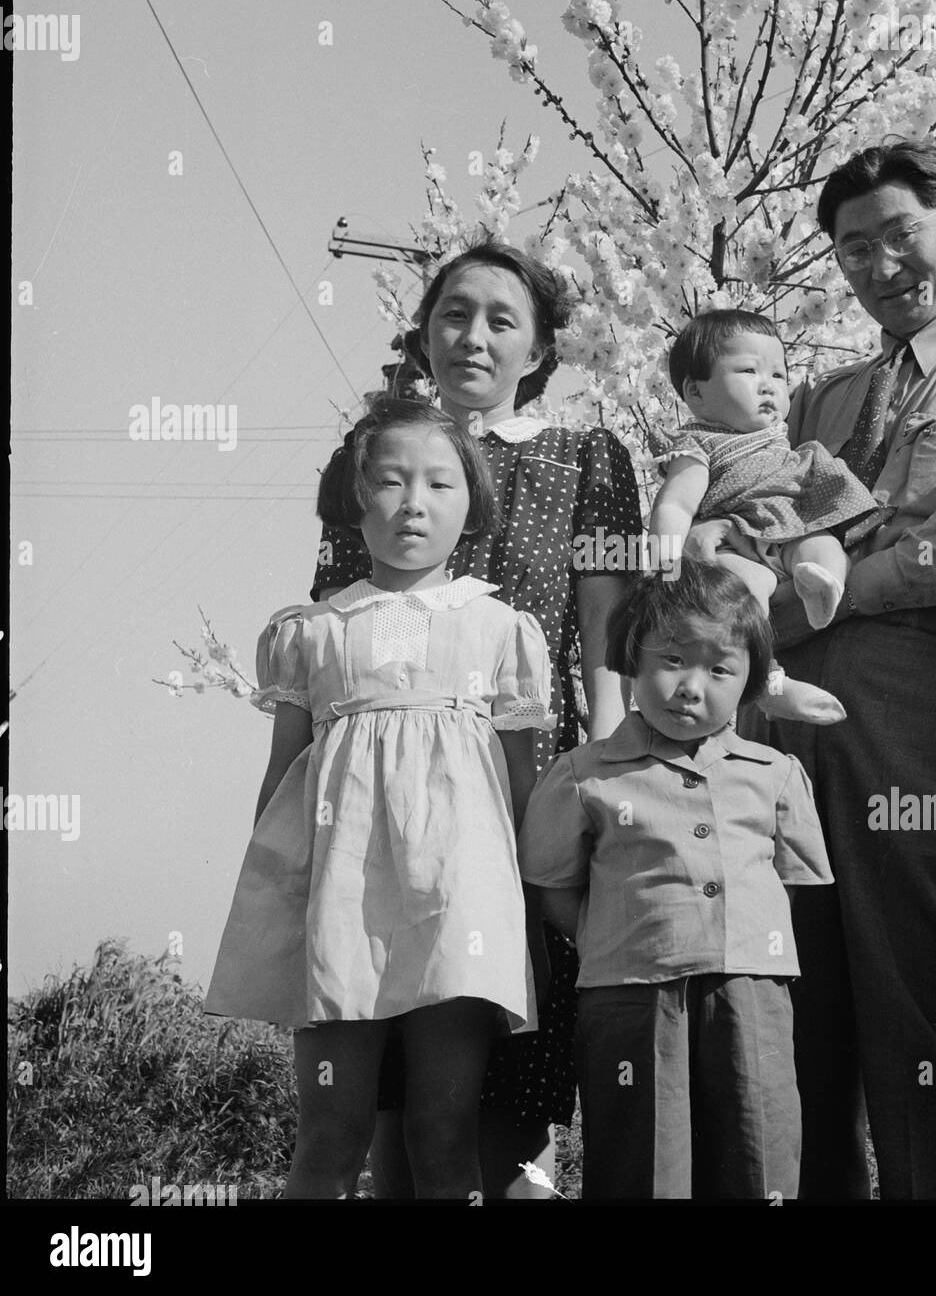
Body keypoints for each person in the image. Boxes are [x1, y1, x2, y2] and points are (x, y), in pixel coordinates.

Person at [724, 137, 936, 1199]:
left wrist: (846, 585)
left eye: (899, 236)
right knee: (795, 996)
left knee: (926, 990)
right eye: (853, 249)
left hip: (918, 690)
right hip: (784, 709)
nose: (879, 266)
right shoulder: (817, 394)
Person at [312, 240, 641, 1198]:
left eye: (504, 320)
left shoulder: (588, 457)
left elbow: (606, 636)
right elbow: (339, 645)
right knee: (385, 1109)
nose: (475, 337)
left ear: (539, 349)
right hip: (385, 806)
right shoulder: (374, 460)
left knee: (496, 1109)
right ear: (424, 331)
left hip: (521, 791)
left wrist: (603, 786)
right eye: (456, 313)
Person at [205, 397, 555, 1198]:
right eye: (390, 482)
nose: (413, 502)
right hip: (339, 899)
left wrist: (530, 908)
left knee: (443, 1130)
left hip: (458, 902)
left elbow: (523, 778)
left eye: (439, 483)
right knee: (330, 1132)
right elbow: (282, 778)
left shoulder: (502, 630)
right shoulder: (313, 633)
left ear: (473, 503)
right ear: (352, 499)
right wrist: (273, 914)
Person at [518, 562, 833, 1199]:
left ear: (750, 681)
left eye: (720, 669)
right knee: (643, 1162)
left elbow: (788, 886)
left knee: (758, 1151)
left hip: (750, 989)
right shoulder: (585, 775)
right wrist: (623, 933)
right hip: (628, 994)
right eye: (671, 659)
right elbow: (555, 890)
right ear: (631, 657)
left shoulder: (775, 774)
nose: (691, 687)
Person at [651, 309, 882, 724]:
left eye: (779, 375)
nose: (769, 386)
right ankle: (766, 680)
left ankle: (820, 588)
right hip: (735, 543)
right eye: (748, 371)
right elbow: (675, 505)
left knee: (825, 546)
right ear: (696, 392)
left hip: (788, 530)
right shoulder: (699, 446)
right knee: (745, 595)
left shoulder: (785, 444)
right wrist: (668, 562)